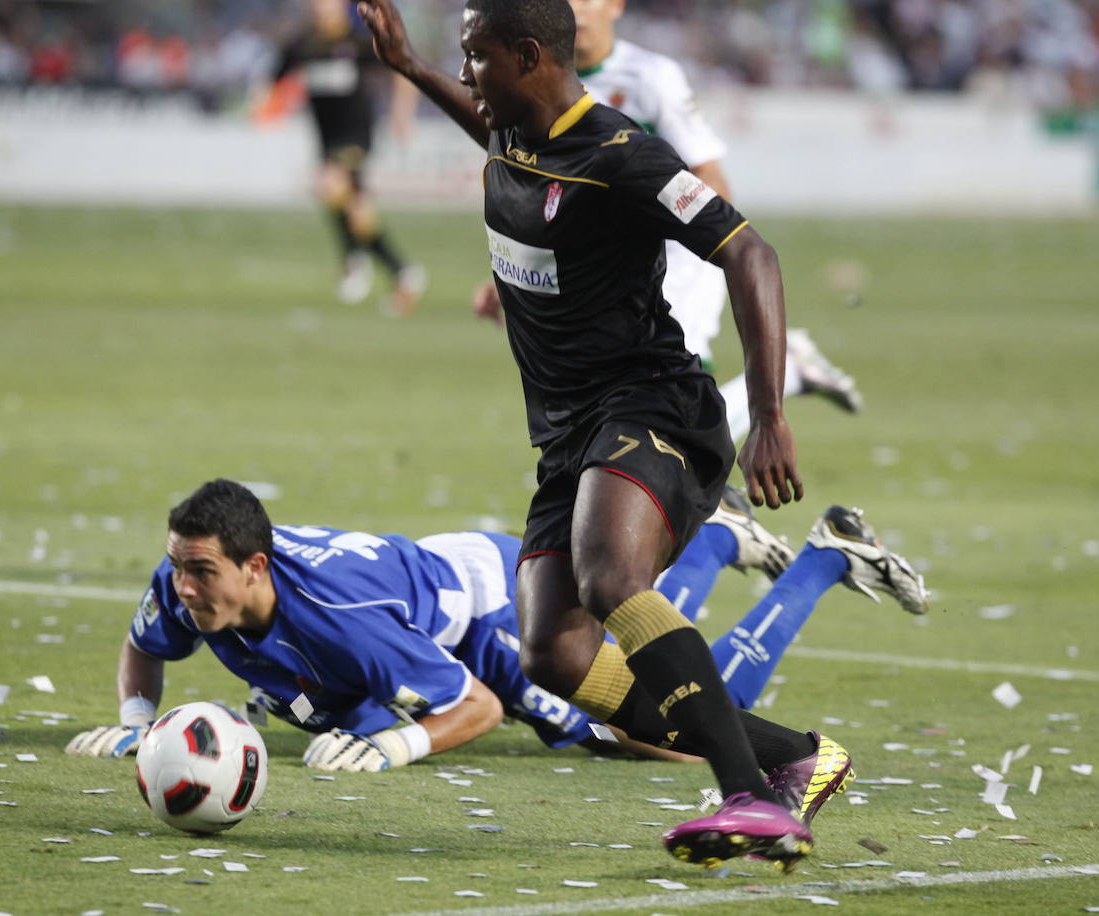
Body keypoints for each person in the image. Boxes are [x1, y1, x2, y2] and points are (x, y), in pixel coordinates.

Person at [350, 0, 847, 869]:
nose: (466, 73)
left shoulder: (622, 154)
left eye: (474, 56)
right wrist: (409, 69)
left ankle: (750, 798)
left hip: (653, 406)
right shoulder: (516, 135)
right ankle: (790, 755)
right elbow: (491, 132)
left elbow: (749, 251)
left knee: (610, 576)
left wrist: (769, 413)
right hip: (568, 433)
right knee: (552, 649)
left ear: (529, 55)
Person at [67, 479, 926, 805]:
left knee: (672, 722)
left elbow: (470, 703)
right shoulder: (190, 579)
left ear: (254, 567)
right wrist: (141, 719)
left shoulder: (344, 620)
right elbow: (146, 641)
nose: (182, 589)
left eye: (200, 575)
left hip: (487, 611)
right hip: (424, 598)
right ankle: (713, 538)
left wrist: (401, 743)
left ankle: (818, 557)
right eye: (180, 571)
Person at [472, 0, 864, 430]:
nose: (578, 9)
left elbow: (709, 174)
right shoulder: (541, 84)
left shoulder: (652, 78)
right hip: (607, 265)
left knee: (669, 406)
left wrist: (706, 240)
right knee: (655, 418)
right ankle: (786, 381)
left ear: (616, 6)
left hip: (676, 261)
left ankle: (772, 400)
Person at [255, 0, 427, 314]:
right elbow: (272, 83)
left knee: (332, 186)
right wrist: (264, 108)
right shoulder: (303, 44)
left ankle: (355, 261)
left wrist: (402, 113)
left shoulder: (358, 41)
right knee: (356, 210)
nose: (320, 7)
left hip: (356, 136)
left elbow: (403, 70)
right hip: (326, 140)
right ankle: (400, 272)